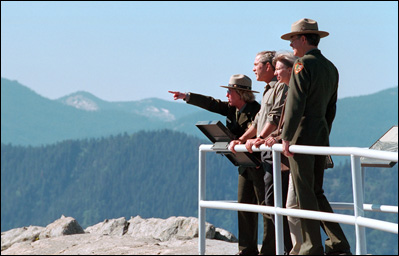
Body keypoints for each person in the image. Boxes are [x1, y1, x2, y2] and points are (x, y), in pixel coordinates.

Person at [169, 74, 269, 255]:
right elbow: (211, 103)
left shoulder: (256, 111)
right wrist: (187, 96)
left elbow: (257, 134)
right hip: (243, 164)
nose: (227, 95)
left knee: (267, 207)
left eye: (230, 91)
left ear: (241, 93)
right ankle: (246, 250)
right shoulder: (232, 109)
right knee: (243, 205)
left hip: (259, 165)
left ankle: (270, 249)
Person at [279, 18, 352, 255]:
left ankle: (312, 245)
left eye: (292, 39)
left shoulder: (302, 65)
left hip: (301, 137)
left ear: (303, 38)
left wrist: (286, 137)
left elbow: (295, 104)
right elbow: (331, 107)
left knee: (305, 192)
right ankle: (338, 241)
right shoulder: (331, 67)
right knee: (316, 191)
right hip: (320, 135)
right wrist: (324, 133)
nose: (291, 45)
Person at [229, 51, 293, 255]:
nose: (253, 68)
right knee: (270, 204)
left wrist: (259, 138)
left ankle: (280, 249)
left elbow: (273, 119)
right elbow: (258, 122)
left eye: (256, 64)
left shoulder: (281, 87)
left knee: (275, 204)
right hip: (266, 153)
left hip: (276, 155)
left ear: (269, 67)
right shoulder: (267, 90)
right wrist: (243, 139)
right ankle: (277, 249)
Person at [254, 52, 302, 255]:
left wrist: (274, 136)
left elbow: (281, 119)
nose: (275, 71)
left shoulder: (287, 89)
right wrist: (267, 136)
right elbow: (261, 121)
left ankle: (293, 248)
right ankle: (286, 247)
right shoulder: (274, 90)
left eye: (278, 68)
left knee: (284, 203)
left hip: (285, 156)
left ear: (289, 70)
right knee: (276, 203)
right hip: (274, 150)